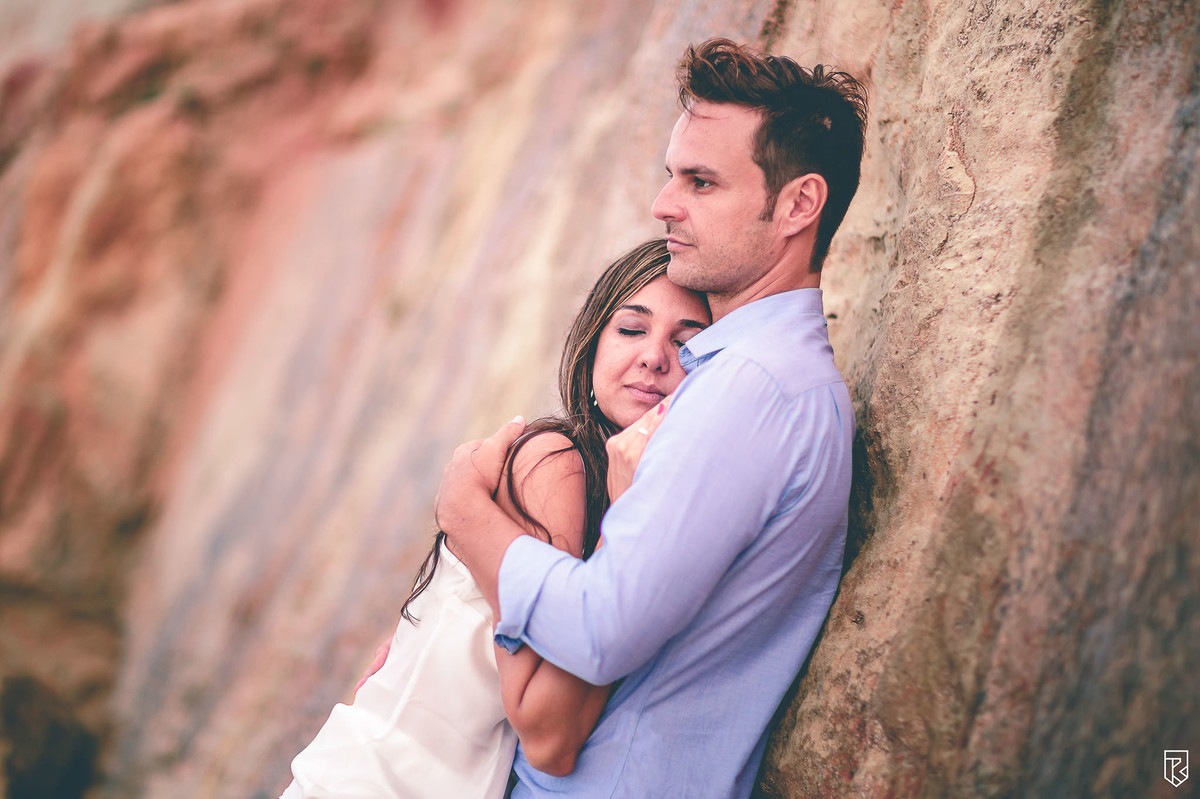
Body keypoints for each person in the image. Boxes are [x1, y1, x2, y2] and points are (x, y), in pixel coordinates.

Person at [433, 38, 868, 798]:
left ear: (798, 205)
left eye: (701, 181)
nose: (665, 204)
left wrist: (466, 513)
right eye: (672, 176)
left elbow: (602, 630)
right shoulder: (750, 380)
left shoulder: (754, 389)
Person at [279, 239, 710, 799]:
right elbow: (547, 731)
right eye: (631, 329)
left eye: (687, 344)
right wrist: (622, 532)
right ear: (593, 342)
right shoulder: (558, 465)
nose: (655, 356)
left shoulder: (608, 483)